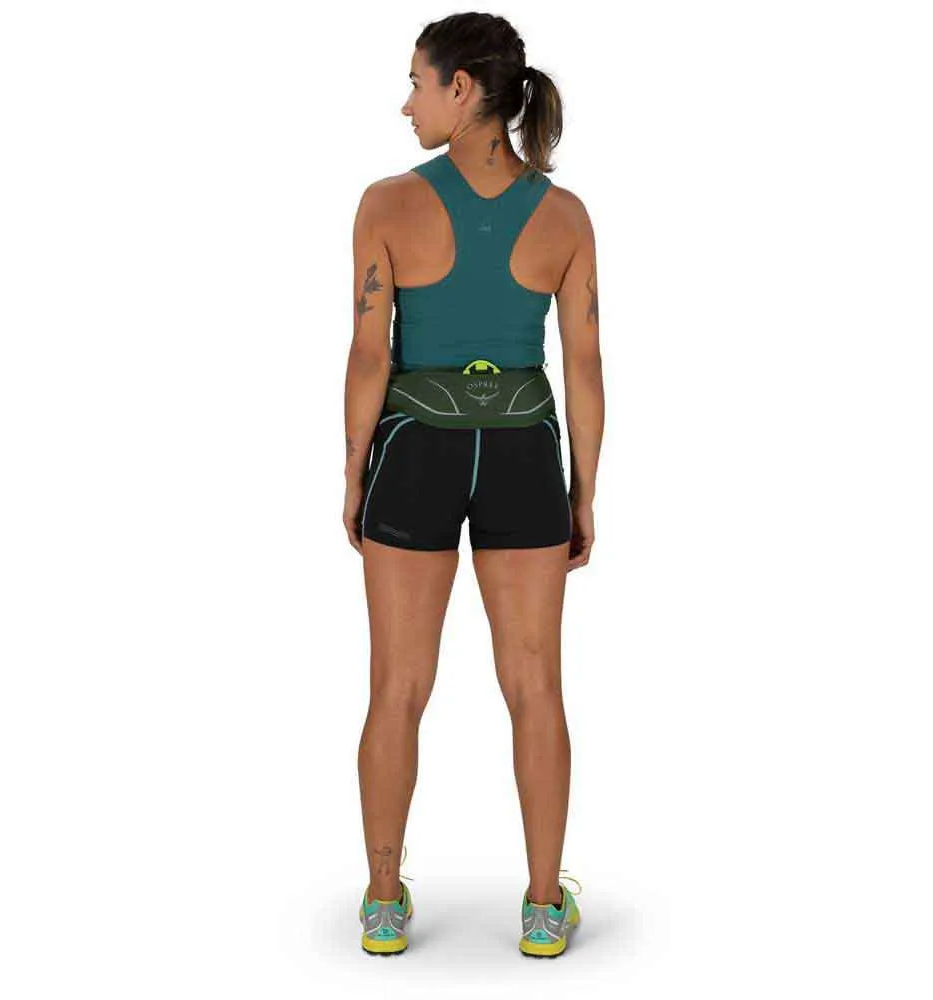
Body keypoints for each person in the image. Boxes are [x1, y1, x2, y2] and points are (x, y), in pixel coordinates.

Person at [343, 12, 603, 958]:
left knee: (397, 687)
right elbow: (585, 365)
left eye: (416, 82)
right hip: (526, 450)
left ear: (461, 91)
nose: (405, 102)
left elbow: (369, 355)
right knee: (535, 686)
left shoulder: (386, 205)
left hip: (416, 447)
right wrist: (582, 491)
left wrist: (354, 471)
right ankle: (540, 909)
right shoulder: (565, 217)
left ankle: (383, 904)